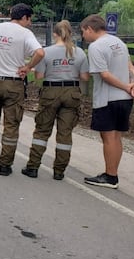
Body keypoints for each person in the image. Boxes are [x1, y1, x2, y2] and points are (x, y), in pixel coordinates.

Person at [0, 3, 44, 176]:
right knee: (11, 126)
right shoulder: (25, 33)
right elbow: (40, 53)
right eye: (29, 19)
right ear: (24, 17)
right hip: (14, 84)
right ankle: (5, 165)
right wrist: (27, 67)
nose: (30, 23)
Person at [21, 20, 89, 180]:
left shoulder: (47, 52)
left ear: (55, 34)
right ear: (70, 33)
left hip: (50, 91)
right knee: (65, 133)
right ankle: (59, 171)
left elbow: (39, 76)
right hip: (72, 92)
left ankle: (33, 167)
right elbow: (85, 77)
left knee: (42, 130)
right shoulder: (79, 52)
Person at [79, 14, 134, 188]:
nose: (83, 36)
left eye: (84, 32)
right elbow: (130, 66)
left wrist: (125, 86)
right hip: (125, 99)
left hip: (108, 99)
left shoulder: (96, 47)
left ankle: (110, 175)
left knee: (108, 137)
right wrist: (133, 84)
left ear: (90, 29)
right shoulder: (119, 42)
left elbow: (104, 75)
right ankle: (113, 172)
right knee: (117, 136)